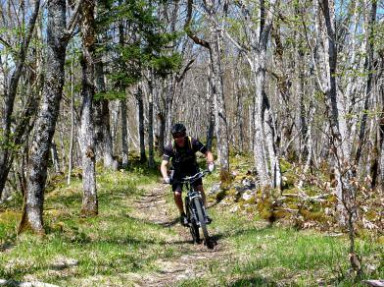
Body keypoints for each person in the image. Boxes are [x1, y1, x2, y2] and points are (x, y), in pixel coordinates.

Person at [161, 123, 215, 226]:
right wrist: (166, 177)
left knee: (199, 188)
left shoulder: (192, 142)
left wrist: (211, 163)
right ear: (173, 137)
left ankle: (203, 213)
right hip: (178, 171)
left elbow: (207, 153)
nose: (179, 138)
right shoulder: (170, 147)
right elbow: (164, 164)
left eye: (181, 135)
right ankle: (182, 214)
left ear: (185, 134)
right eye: (176, 136)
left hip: (192, 168)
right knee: (177, 194)